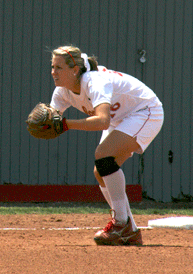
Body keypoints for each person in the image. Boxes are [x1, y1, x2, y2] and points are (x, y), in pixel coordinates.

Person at [50, 45, 164, 246]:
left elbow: (102, 121)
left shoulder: (94, 81)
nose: (53, 72)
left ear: (74, 69)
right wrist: (45, 122)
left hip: (145, 110)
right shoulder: (62, 92)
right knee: (100, 170)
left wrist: (66, 124)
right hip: (120, 118)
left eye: (58, 67)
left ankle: (121, 223)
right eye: (52, 67)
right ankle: (130, 230)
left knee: (103, 155)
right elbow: (52, 119)